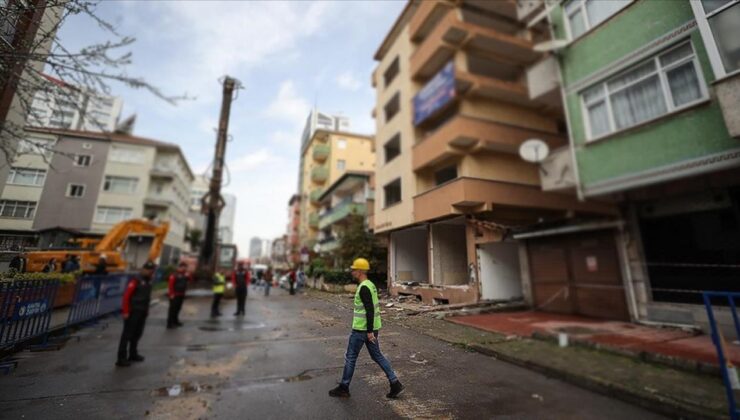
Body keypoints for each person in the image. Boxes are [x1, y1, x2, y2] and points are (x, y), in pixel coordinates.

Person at [329, 258, 404, 399]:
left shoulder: (364, 287)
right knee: (377, 355)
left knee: (350, 358)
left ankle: (344, 387)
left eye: (354, 269)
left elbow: (369, 310)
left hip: (362, 331)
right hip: (371, 329)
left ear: (360, 271)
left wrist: (369, 332)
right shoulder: (370, 285)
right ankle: (395, 383)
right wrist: (371, 331)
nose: (352, 272)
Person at [116, 260, 155, 367]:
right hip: (132, 312)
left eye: (151, 270)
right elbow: (126, 296)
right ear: (143, 269)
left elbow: (147, 297)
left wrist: (146, 310)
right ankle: (121, 358)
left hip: (142, 311)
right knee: (127, 335)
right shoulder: (136, 280)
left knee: (137, 334)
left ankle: (133, 354)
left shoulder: (149, 281)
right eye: (147, 270)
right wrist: (125, 311)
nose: (149, 272)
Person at [167, 262, 190, 329]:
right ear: (180, 267)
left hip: (181, 294)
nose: (185, 269)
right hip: (175, 295)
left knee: (178, 309)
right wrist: (171, 294)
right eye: (183, 267)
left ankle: (175, 321)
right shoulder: (174, 274)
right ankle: (169, 323)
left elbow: (190, 280)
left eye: (185, 267)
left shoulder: (184, 275)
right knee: (172, 310)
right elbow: (170, 285)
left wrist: (188, 276)